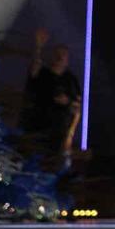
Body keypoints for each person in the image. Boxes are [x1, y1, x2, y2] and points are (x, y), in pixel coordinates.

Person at [22, 28, 81, 164]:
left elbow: (77, 109)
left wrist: (70, 135)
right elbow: (34, 69)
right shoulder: (43, 74)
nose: (60, 58)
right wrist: (38, 47)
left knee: (57, 167)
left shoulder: (71, 80)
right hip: (38, 129)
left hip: (60, 133)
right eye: (58, 54)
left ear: (68, 59)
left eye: (64, 55)